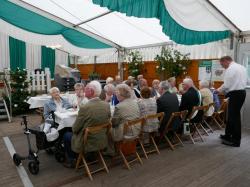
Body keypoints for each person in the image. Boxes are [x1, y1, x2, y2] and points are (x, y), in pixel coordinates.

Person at [63, 81, 111, 167]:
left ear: (91, 92)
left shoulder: (85, 107)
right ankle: (91, 155)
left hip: (88, 141)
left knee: (66, 135)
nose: (84, 90)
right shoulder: (106, 105)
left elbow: (75, 129)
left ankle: (72, 160)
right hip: (101, 139)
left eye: (86, 89)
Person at [217, 56, 247, 147]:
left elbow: (227, 84)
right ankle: (227, 135)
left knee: (235, 117)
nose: (222, 66)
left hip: (235, 94)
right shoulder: (242, 67)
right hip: (241, 92)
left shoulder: (230, 69)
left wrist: (218, 90)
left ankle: (236, 141)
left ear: (226, 61)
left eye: (222, 64)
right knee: (231, 116)